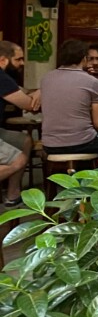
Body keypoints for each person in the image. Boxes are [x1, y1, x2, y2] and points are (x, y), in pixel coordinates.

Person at [41, 39, 98, 159]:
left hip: (49, 144)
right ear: (84, 58)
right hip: (83, 142)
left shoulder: (47, 78)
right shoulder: (91, 81)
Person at [0, 41, 38, 206]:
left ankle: (12, 194)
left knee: (24, 141)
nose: (22, 63)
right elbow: (28, 104)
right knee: (19, 160)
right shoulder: (1, 78)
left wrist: (35, 92)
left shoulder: (6, 79)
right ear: (3, 60)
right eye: (18, 59)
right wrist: (42, 94)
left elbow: (20, 91)